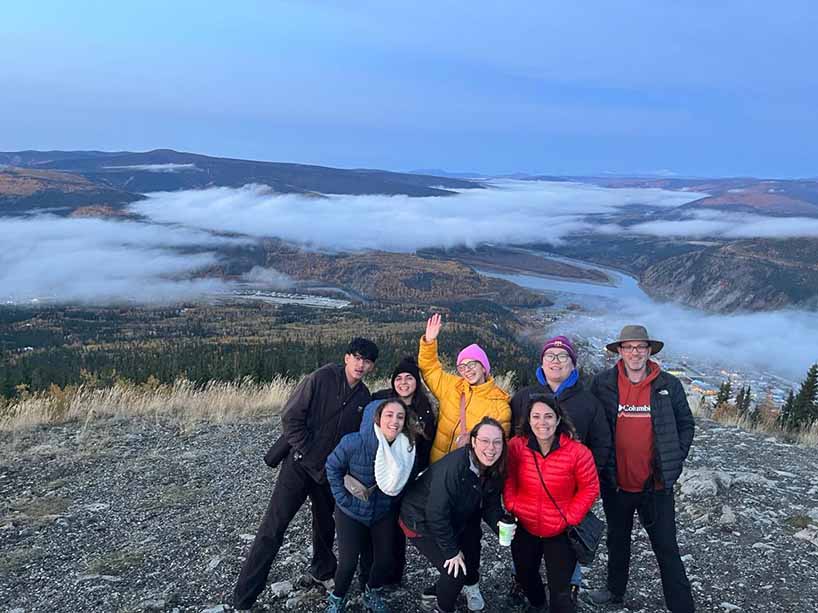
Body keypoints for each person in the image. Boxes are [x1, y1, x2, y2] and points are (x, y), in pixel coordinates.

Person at [233, 338, 379, 611]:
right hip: (299, 465)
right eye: (357, 357)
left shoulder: (363, 397)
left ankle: (322, 571)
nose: (361, 364)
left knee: (325, 526)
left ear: (371, 366)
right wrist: (312, 455)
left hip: (328, 472)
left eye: (367, 361)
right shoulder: (321, 378)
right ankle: (243, 597)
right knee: (273, 528)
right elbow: (291, 418)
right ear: (346, 357)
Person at [587, 325, 695, 612]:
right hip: (616, 482)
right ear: (619, 352)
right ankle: (614, 591)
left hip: (656, 486)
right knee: (617, 540)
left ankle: (681, 605)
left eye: (640, 347)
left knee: (666, 548)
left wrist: (676, 457)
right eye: (629, 347)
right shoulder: (602, 384)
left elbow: (686, 424)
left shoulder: (669, 385)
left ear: (649, 351)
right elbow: (592, 422)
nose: (635, 352)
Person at [417, 313, 511, 611]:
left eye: (473, 364)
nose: (467, 369)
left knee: (470, 534)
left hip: (470, 478)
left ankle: (471, 584)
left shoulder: (498, 402)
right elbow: (429, 369)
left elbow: (495, 444)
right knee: (442, 526)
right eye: (462, 365)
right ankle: (450, 579)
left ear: (484, 367)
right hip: (439, 472)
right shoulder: (452, 387)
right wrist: (429, 342)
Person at [509, 335, 612, 603]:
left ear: (572, 364)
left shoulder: (588, 402)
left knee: (567, 546)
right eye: (550, 356)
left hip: (569, 492)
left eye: (562, 356)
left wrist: (585, 481)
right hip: (529, 494)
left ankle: (569, 587)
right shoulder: (523, 397)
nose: (555, 361)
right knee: (525, 551)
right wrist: (514, 499)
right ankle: (523, 583)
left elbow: (601, 444)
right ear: (541, 362)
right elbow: (512, 445)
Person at [399, 417, 509, 613]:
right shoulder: (455, 467)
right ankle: (442, 608)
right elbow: (436, 512)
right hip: (419, 519)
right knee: (455, 571)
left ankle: (434, 593)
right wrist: (451, 550)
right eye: (484, 440)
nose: (491, 448)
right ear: (473, 441)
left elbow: (491, 504)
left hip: (454, 515)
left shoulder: (496, 466)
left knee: (469, 552)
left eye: (497, 441)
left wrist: (500, 525)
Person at [504, 395, 599, 613]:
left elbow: (590, 487)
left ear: (558, 420)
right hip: (525, 525)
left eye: (548, 416)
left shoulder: (578, 452)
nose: (542, 422)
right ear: (528, 420)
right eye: (536, 416)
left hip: (560, 530)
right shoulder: (517, 447)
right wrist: (512, 504)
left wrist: (570, 517)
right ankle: (538, 604)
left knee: (561, 591)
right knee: (525, 575)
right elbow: (508, 477)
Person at [324, 399, 418, 613]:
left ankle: (371, 591)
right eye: (389, 415)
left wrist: (392, 503)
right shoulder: (354, 442)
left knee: (385, 560)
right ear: (377, 418)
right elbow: (332, 467)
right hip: (351, 511)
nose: (394, 421)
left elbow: (408, 480)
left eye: (400, 417)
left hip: (382, 512)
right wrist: (343, 498)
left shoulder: (407, 449)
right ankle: (337, 597)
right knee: (347, 564)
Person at [363, 356, 436, 589]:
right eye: (399, 378)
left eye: (409, 378)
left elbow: (427, 447)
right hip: (380, 474)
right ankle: (369, 574)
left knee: (397, 528)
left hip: (409, 477)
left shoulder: (425, 409)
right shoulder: (381, 401)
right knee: (376, 525)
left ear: (417, 381)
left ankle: (394, 575)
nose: (403, 382)